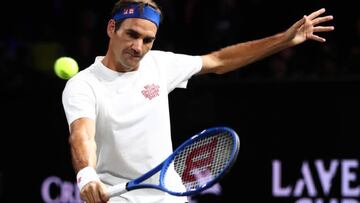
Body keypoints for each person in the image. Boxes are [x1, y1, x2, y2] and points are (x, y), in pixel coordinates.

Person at [61, 0, 334, 202]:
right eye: (131, 35)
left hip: (171, 196)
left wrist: (284, 40)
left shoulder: (159, 64)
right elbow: (82, 135)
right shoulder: (84, 85)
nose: (138, 47)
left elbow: (219, 61)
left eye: (147, 40)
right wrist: (87, 175)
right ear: (112, 28)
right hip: (118, 197)